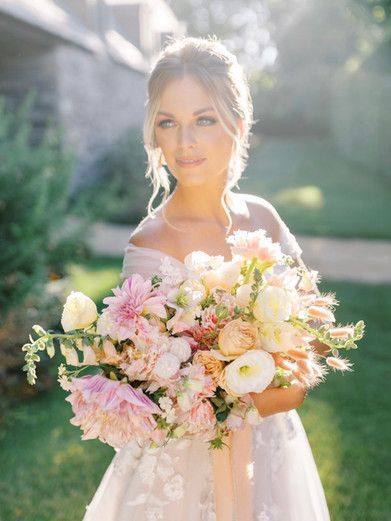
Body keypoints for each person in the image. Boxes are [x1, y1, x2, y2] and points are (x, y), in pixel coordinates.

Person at [83, 35, 331, 521]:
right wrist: (242, 396)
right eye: (168, 123)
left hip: (271, 449)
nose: (184, 142)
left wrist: (291, 382)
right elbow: (146, 385)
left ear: (237, 125)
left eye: (204, 120)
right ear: (154, 134)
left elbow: (316, 327)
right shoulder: (150, 245)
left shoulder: (264, 218)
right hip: (184, 463)